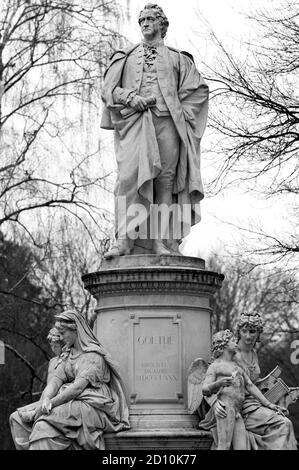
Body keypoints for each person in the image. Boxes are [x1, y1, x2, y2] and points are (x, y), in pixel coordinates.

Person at [101, 3, 209, 257]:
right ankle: (124, 241)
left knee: (165, 181)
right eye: (142, 20)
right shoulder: (125, 57)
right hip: (136, 124)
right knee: (128, 179)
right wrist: (129, 97)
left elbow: (198, 91)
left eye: (150, 19)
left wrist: (180, 113)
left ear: (162, 25)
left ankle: (161, 242)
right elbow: (108, 88)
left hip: (168, 124)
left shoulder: (178, 58)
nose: (145, 24)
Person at [10, 310, 130, 450]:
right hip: (70, 401)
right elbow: (55, 382)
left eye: (63, 333)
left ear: (76, 330)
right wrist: (44, 401)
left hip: (92, 404)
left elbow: (77, 388)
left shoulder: (93, 356)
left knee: (42, 426)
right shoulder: (68, 354)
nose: (60, 337)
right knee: (16, 419)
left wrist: (49, 405)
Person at [199, 313, 297, 450]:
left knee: (285, 423)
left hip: (254, 404)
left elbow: (251, 384)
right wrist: (214, 403)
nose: (248, 336)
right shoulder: (229, 354)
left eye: (252, 331)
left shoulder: (254, 354)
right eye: (244, 331)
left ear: (258, 333)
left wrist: (270, 403)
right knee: (283, 424)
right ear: (238, 331)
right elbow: (208, 384)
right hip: (238, 407)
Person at [9, 327, 64, 449]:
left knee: (38, 424)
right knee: (14, 417)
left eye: (56, 345)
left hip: (58, 403)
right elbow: (49, 387)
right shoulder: (53, 361)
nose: (53, 348)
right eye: (51, 345)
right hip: (45, 400)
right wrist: (41, 402)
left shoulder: (69, 360)